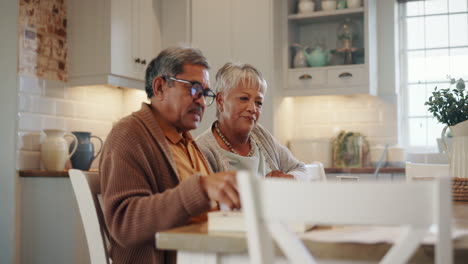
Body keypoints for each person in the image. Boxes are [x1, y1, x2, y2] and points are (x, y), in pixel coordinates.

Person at [99, 47, 241, 264]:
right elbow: (124, 223)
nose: (202, 102)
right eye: (194, 89)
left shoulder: (186, 141)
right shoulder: (130, 134)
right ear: (160, 87)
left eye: (205, 94)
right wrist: (201, 188)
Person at [196, 62, 309, 180]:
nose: (252, 108)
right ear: (220, 101)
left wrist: (290, 178)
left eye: (258, 102)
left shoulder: (259, 134)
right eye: (244, 98)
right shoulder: (203, 150)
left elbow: (301, 169)